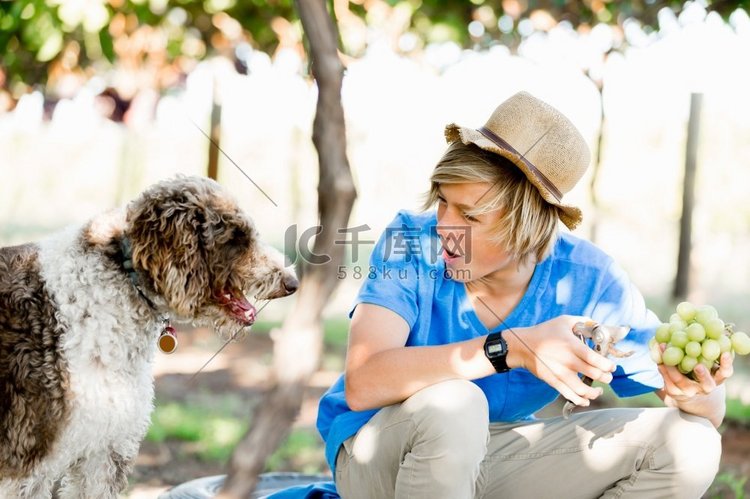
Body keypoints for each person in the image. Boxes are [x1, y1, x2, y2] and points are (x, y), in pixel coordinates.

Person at [314, 91, 730, 499]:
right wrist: (510, 348)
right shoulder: (411, 242)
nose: (444, 226)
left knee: (691, 444)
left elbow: (710, 414)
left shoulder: (588, 280)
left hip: (494, 456)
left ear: (528, 223)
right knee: (457, 404)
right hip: (382, 457)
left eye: (470, 215)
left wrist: (696, 391)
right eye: (443, 201)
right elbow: (363, 382)